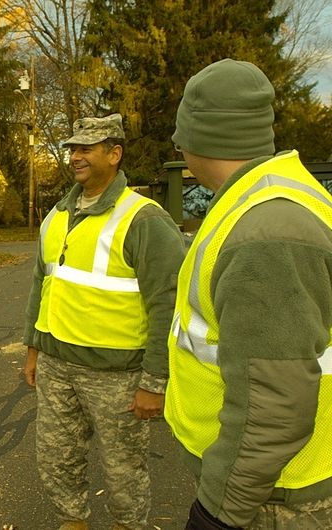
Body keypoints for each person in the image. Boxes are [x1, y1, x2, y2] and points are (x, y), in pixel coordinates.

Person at [165, 59, 332, 529]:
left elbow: (273, 403)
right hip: (271, 481)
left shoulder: (266, 232)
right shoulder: (270, 199)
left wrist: (220, 512)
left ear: (195, 138)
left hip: (279, 496)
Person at [23, 113, 186, 530]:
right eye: (72, 149)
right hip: (57, 366)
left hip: (118, 374)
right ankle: (71, 521)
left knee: (123, 470)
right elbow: (42, 285)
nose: (76, 156)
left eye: (86, 148)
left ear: (114, 154)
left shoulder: (144, 219)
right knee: (57, 457)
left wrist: (155, 381)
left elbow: (167, 304)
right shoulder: (57, 215)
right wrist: (33, 349)